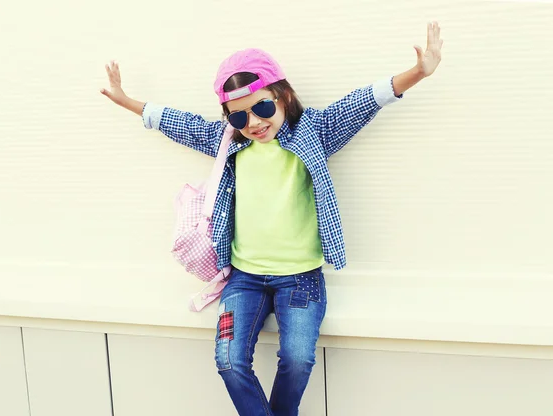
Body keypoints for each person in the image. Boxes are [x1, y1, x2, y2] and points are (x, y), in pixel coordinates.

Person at [101, 22, 443, 416]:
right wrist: (128, 101)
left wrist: (418, 72)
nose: (254, 123)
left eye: (262, 108)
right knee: (229, 361)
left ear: (282, 96)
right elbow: (181, 124)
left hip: (300, 277)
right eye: (238, 117)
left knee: (298, 360)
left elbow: (361, 103)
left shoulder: (313, 131)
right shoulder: (229, 142)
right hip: (243, 278)